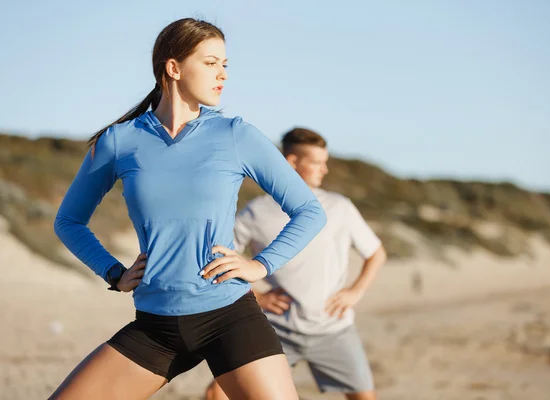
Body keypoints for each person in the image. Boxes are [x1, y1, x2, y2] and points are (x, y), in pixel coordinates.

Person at [50, 18, 326, 400]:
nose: (223, 75)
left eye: (225, 65)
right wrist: (113, 272)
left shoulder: (235, 135)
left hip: (228, 317)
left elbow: (309, 211)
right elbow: (69, 221)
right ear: (174, 67)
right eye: (211, 63)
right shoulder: (120, 141)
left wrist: (259, 265)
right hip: (155, 327)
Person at [205, 128, 387, 400]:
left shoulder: (340, 206)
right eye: (316, 162)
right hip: (275, 331)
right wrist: (258, 296)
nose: (324, 170)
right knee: (216, 394)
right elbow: (220, 258)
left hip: (333, 328)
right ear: (291, 162)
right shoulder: (257, 211)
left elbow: (376, 253)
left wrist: (355, 292)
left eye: (325, 162)